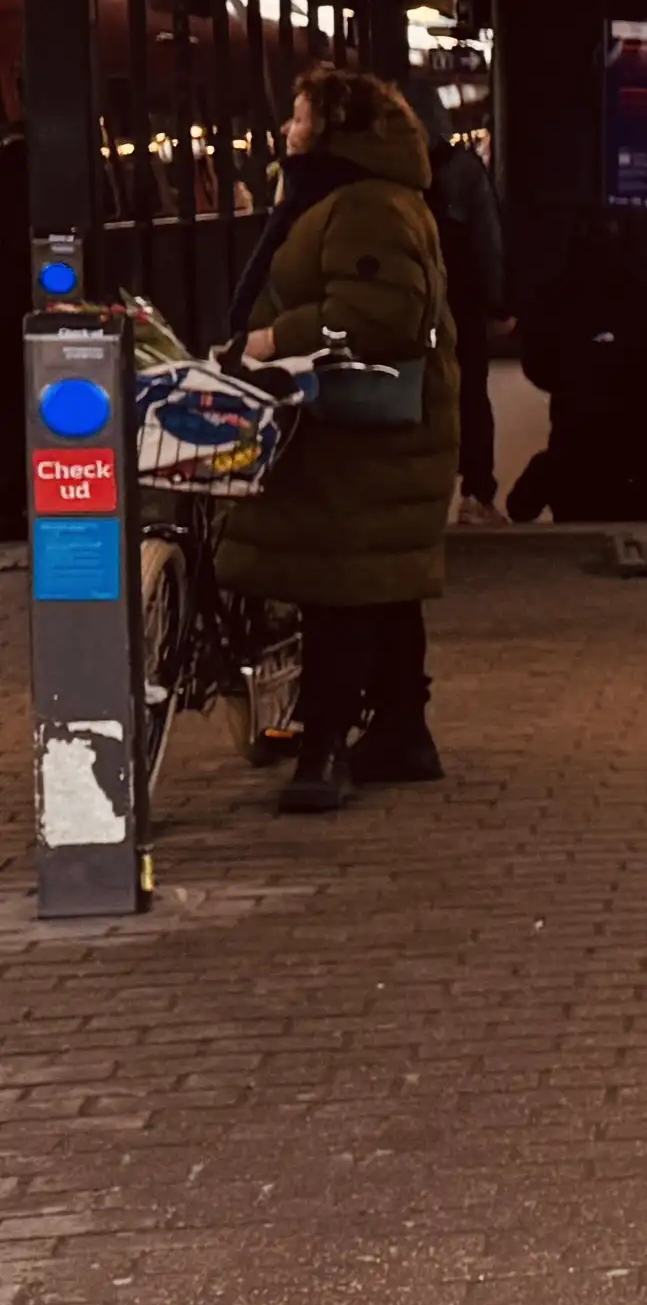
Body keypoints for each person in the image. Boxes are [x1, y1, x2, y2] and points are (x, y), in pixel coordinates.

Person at [224, 60, 462, 810]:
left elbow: (379, 312)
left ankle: (323, 750)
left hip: (360, 433)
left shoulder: (363, 204)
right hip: (367, 433)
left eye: (299, 116)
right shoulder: (349, 197)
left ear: (335, 127)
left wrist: (269, 340)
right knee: (379, 584)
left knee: (337, 587)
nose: (288, 129)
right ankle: (400, 732)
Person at [433, 109, 509, 515]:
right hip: (461, 303)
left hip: (414, 305)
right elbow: (488, 242)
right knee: (472, 395)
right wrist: (497, 303)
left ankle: (428, 493)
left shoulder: (383, 175)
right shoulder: (465, 171)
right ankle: (476, 492)